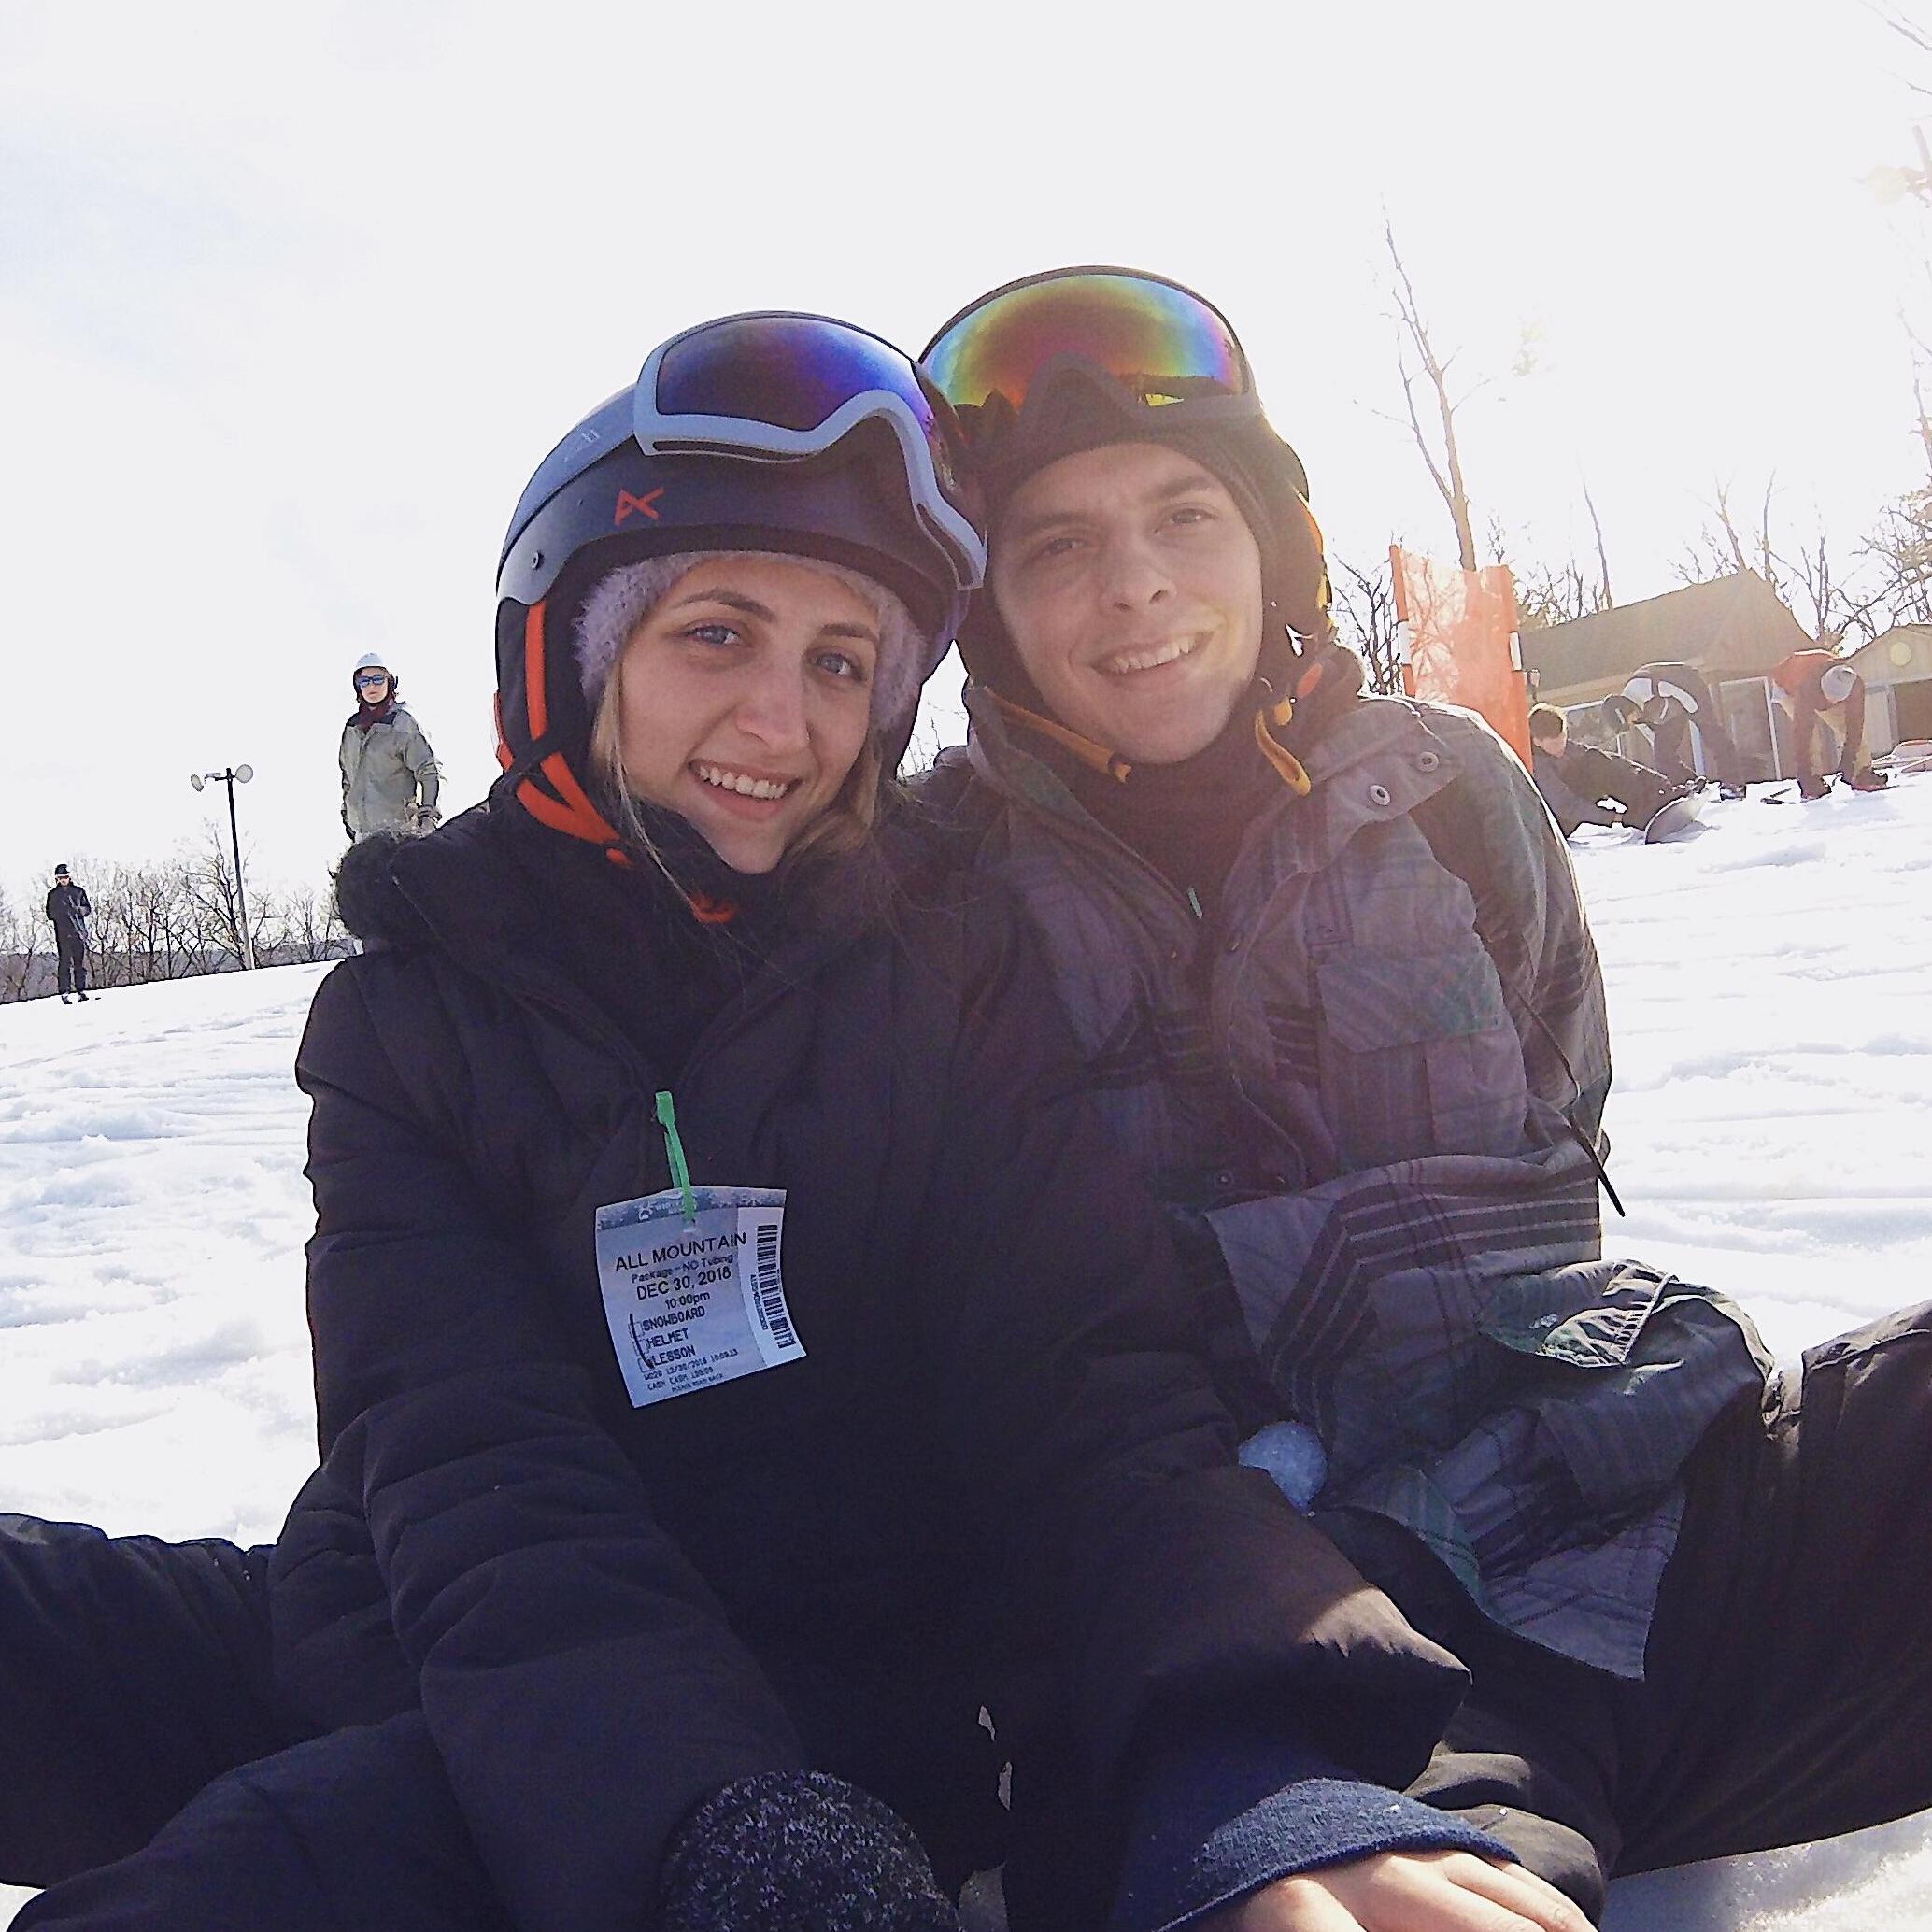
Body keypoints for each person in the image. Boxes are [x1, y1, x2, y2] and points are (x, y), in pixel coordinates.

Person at [3, 315, 1584, 1932]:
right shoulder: (415, 1017)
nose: (780, 719)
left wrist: (1254, 1782)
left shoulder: (946, 960)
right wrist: (722, 1828)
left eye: (841, 660)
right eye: (715, 634)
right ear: (575, 655)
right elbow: (479, 1466)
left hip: (740, 1713)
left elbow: (1085, 1397)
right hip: (461, 1636)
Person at [910, 264, 1932, 1918]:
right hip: (1303, 1645)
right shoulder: (929, 896)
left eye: (1184, 516)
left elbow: (1563, 1080)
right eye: (1056, 546)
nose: (1137, 589)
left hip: (1633, 1514)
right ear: (988, 611)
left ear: (1272, 545)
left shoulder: (1451, 787)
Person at [1527, 703, 1688, 837]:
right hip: (1555, 824)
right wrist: (1617, 818)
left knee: (1594, 758)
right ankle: (1643, 811)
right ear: (1537, 741)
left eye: (1563, 738)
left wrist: (1656, 780)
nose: (1561, 746)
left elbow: (1612, 762)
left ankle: (1654, 796)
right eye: (1555, 744)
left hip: (1569, 807)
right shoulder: (1537, 765)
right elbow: (1565, 805)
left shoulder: (1566, 749)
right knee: (1592, 763)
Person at [338, 651, 442, 838]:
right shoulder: (352, 729)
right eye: (365, 681)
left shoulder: (402, 724)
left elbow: (428, 771)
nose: (372, 686)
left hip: (398, 834)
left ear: (389, 682)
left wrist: (428, 817)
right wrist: (347, 816)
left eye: (378, 679)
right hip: (361, 834)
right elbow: (348, 777)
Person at [1608, 661, 1745, 796]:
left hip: (1689, 687)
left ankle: (1732, 783)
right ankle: (1690, 784)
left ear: (1627, 707)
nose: (1632, 722)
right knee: (1662, 755)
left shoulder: (1642, 686)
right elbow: (1652, 736)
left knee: (1712, 735)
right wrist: (1660, 751)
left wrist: (1697, 715)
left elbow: (1676, 689)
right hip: (1670, 708)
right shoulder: (1636, 717)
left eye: (1629, 719)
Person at [1769, 647, 1890, 799]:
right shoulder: (1806, 687)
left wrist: (1849, 759)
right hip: (1787, 687)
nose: (1831, 703)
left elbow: (1855, 725)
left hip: (1816, 683)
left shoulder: (1853, 685)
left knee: (1845, 727)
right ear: (1822, 689)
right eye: (1829, 698)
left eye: (1836, 700)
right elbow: (1802, 732)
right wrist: (1804, 772)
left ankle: (1862, 773)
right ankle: (1811, 779)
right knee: (1810, 735)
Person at [44, 863, 92, 1003]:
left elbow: (87, 909)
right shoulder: (53, 895)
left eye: (65, 876)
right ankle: (64, 992)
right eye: (61, 877)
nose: (63, 879)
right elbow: (50, 913)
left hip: (78, 931)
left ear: (69, 877)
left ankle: (81, 990)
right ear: (57, 879)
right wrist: (62, 912)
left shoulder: (78, 892)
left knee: (79, 963)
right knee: (64, 963)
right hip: (63, 933)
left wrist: (77, 910)